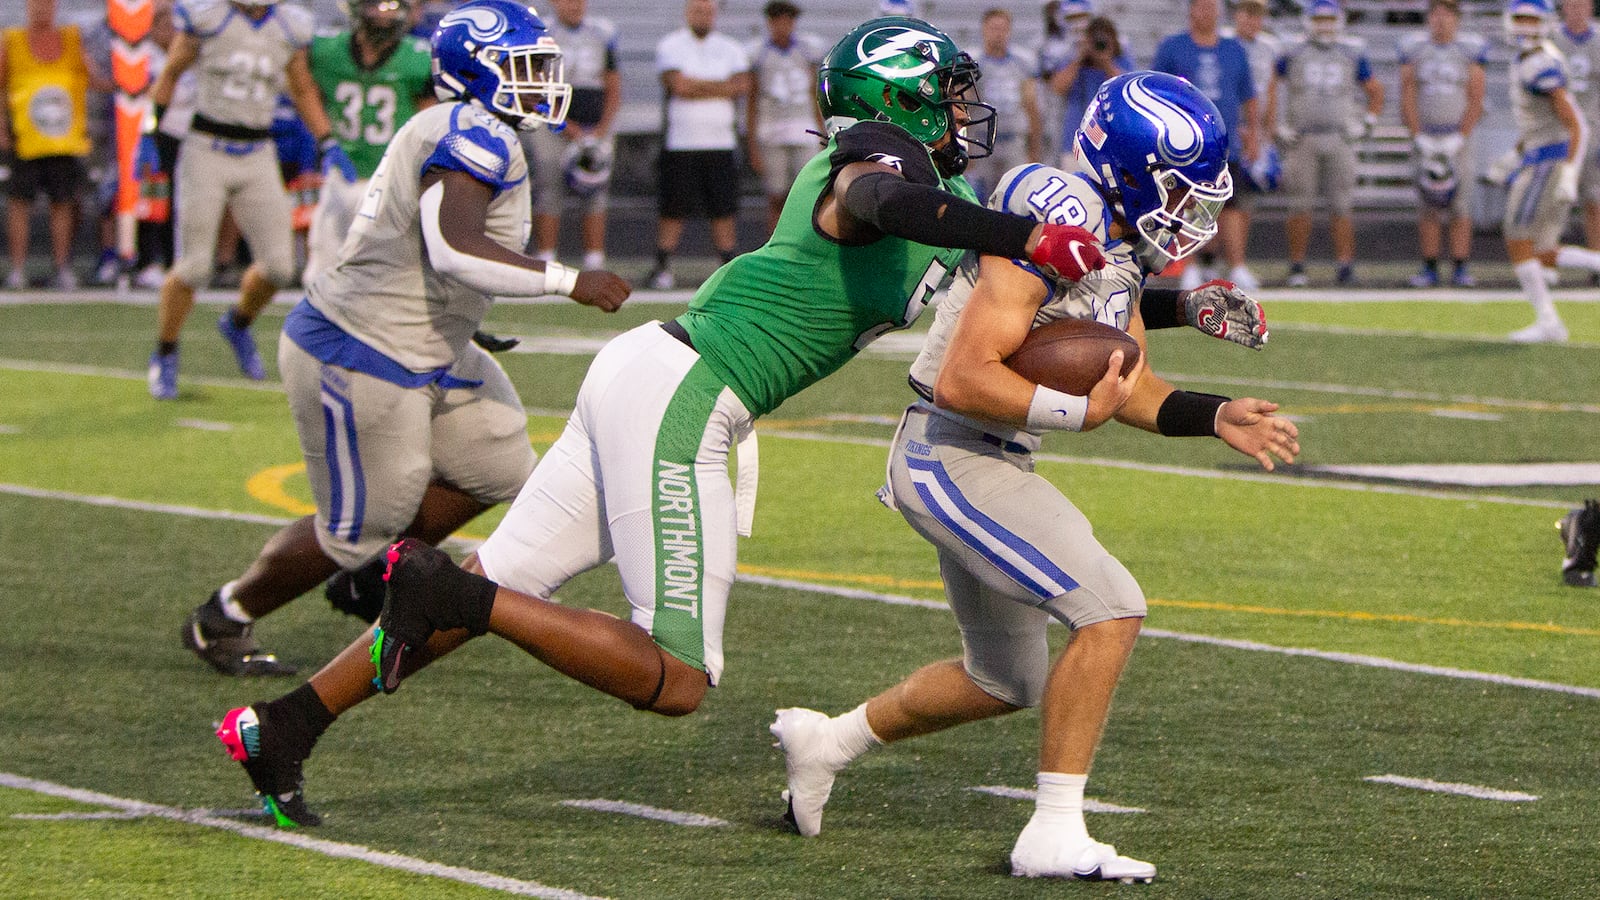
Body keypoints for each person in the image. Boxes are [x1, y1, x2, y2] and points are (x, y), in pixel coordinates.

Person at [212, 14, 1117, 828]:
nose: (965, 113)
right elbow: (881, 202)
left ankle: (286, 725)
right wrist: (1021, 234)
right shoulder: (879, 166)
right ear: (902, 103)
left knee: (495, 584)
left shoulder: (931, 196)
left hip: (653, 375)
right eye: (947, 97)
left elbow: (1012, 303)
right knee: (676, 676)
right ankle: (452, 592)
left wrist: (1171, 308)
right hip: (689, 390)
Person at [771, 71, 1293, 885]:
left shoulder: (1111, 245)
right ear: (1129, 167)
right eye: (1180, 190)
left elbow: (1131, 384)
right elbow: (964, 379)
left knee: (1002, 678)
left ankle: (826, 743)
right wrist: (1073, 415)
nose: (1192, 213)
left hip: (985, 453)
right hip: (950, 449)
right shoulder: (1062, 208)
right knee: (1112, 608)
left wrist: (1216, 413)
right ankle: (1052, 831)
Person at [182, 0, 629, 684]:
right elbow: (454, 245)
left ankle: (372, 581)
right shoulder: (473, 135)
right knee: (358, 525)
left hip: (429, 340)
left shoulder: (468, 126)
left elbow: (427, 250)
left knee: (499, 464)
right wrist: (569, 279)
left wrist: (464, 318)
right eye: (525, 66)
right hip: (361, 346)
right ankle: (225, 613)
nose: (542, 79)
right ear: (479, 71)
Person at [141, 0, 349, 400]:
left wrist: (327, 141)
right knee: (195, 266)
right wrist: (152, 132)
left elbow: (302, 87)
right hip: (207, 148)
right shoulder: (209, 17)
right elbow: (170, 73)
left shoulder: (290, 25)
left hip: (257, 151)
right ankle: (165, 352)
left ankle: (237, 323)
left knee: (279, 266)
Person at [302, 0, 434, 287]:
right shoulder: (327, 50)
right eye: (377, 6)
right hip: (342, 174)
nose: (385, 16)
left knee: (389, 275)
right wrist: (325, 138)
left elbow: (430, 117)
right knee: (320, 274)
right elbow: (301, 85)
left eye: (392, 8)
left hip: (392, 179)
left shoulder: (417, 57)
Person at [1499, 0, 1600, 342]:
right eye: (1520, 18)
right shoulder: (1534, 58)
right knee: (1541, 249)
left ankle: (1548, 322)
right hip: (1540, 155)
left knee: (1516, 237)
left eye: (1532, 19)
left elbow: (1577, 124)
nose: (1525, 26)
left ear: (1544, 23)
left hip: (1547, 162)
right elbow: (1540, 122)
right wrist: (1513, 155)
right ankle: (1550, 321)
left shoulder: (1540, 62)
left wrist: (1570, 172)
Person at [1265, 0, 1382, 287]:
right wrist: (1275, 124)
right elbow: (1270, 84)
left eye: (1330, 20)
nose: (1325, 26)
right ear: (1308, 22)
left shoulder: (1351, 51)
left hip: (1338, 137)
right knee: (1299, 206)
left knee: (1341, 206)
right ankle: (1297, 266)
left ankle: (1344, 265)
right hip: (1302, 137)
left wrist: (1367, 121)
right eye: (1320, 20)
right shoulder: (1293, 51)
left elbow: (1375, 90)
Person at [1151, 0, 1260, 291]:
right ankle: (1189, 265)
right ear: (1190, 10)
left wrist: (1254, 132)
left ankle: (1237, 265)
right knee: (1185, 203)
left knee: (1231, 204)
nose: (1206, 12)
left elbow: (1248, 95)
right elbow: (1156, 90)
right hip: (1184, 141)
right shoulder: (1173, 47)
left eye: (1211, 6)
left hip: (1224, 141)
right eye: (1201, 6)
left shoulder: (1234, 49)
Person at [646, 0, 751, 291]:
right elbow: (678, 86)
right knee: (673, 208)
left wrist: (698, 85)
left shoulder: (730, 47)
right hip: (682, 142)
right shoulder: (671, 44)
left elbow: (741, 86)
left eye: (708, 11)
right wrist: (719, 86)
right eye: (698, 10)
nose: (703, 15)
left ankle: (727, 268)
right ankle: (663, 266)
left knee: (723, 208)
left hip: (720, 141)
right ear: (687, 12)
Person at [0, 0, 98, 291]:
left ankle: (62, 267)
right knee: (20, 202)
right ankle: (17, 269)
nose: (40, 9)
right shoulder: (13, 40)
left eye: (46, 3)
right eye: (35, 4)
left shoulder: (70, 39)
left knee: (63, 202)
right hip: (25, 137)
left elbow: (92, 77)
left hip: (63, 138)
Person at [523, 0, 620, 271]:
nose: (574, 5)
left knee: (596, 188)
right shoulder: (540, 33)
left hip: (595, 124)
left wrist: (601, 128)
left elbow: (613, 83)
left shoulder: (602, 33)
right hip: (552, 123)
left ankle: (594, 259)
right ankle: (545, 256)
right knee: (549, 187)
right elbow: (534, 85)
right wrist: (566, 126)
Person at [1398, 0, 1487, 289]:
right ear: (1428, 18)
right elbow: (1407, 94)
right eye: (1436, 13)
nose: (1441, 19)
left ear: (1457, 19)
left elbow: (1476, 97)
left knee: (1461, 205)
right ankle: (1430, 266)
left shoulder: (1467, 52)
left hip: (1456, 138)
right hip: (1427, 135)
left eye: (1447, 14)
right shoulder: (1417, 51)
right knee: (1428, 204)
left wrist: (1460, 135)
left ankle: (1461, 266)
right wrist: (1417, 135)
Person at [746, 0, 826, 236]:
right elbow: (752, 101)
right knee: (776, 196)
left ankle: (805, 243)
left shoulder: (806, 50)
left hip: (804, 129)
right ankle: (775, 244)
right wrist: (752, 145)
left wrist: (822, 132)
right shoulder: (758, 54)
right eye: (778, 20)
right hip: (771, 131)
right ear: (770, 22)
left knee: (809, 194)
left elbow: (814, 94)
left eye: (788, 20)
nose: (783, 25)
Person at [961, 8, 1042, 201]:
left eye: (1002, 28)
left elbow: (1031, 106)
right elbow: (963, 105)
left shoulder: (1023, 62)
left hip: (1013, 140)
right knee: (977, 198)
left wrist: (1034, 149)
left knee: (1014, 197)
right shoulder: (973, 63)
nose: (998, 34)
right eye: (993, 28)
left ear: (1009, 31)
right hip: (981, 141)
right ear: (983, 30)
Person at [1048, 12, 1132, 170]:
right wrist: (1080, 58)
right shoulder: (1074, 63)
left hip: (1111, 144)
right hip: (1075, 142)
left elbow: (1126, 89)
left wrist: (1106, 62)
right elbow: (1057, 87)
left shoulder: (1120, 62)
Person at [1552, 0, 1600, 269]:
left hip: (1592, 133)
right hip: (1559, 134)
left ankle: (1597, 263)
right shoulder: (1552, 41)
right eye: (1572, 4)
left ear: (1591, 8)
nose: (1578, 10)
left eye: (1583, 4)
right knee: (1554, 205)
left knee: (1594, 201)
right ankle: (1549, 263)